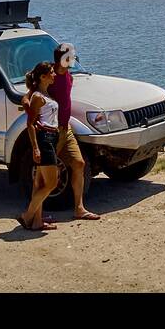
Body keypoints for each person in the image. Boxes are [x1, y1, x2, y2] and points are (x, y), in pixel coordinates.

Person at [50, 42, 100, 220]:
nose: (74, 59)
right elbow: (33, 94)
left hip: (66, 128)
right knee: (48, 172)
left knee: (78, 164)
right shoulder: (50, 76)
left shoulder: (68, 76)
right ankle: (35, 212)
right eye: (71, 57)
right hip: (53, 130)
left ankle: (79, 208)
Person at [18, 61, 60, 231]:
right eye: (51, 72)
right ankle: (27, 215)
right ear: (43, 77)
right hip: (45, 139)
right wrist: (35, 147)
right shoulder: (38, 97)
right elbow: (30, 124)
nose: (54, 74)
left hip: (51, 137)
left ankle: (36, 222)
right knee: (51, 183)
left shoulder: (45, 94)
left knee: (40, 183)